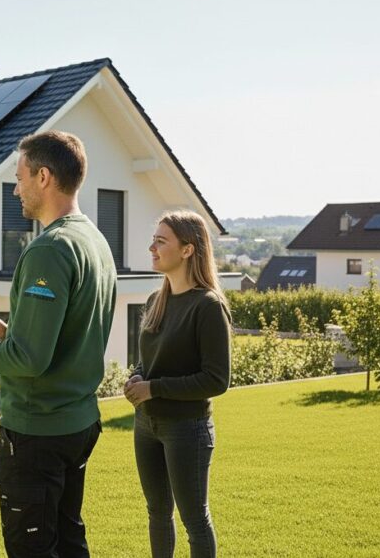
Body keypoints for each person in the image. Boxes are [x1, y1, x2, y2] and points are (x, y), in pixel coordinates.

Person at [0, 130, 117, 558]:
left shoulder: (48, 250)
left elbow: (30, 360)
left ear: (43, 176)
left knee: (33, 549)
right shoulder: (94, 241)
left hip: (38, 432)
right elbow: (63, 331)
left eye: (18, 178)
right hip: (76, 422)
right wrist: (8, 329)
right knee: (69, 541)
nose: (15, 189)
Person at [123, 211, 231, 558]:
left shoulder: (208, 306)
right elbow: (150, 359)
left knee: (195, 521)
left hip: (187, 429)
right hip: (146, 424)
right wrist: (138, 376)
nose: (151, 247)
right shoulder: (157, 301)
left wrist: (154, 388)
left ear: (187, 249)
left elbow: (216, 379)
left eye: (161, 240)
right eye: (154, 240)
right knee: (157, 513)